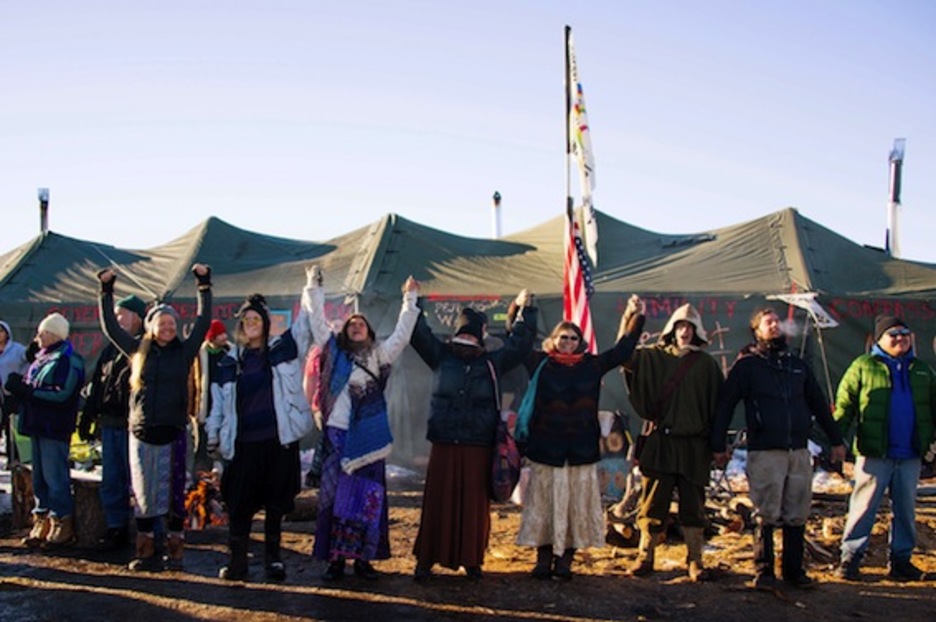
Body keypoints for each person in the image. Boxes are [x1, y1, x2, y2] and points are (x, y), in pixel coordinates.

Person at [712, 307, 846, 589]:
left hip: (797, 450)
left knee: (797, 511)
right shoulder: (747, 366)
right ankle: (764, 572)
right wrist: (718, 444)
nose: (774, 326)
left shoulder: (797, 365)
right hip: (765, 450)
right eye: (767, 323)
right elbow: (725, 405)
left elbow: (819, 404)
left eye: (776, 322)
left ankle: (794, 572)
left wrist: (836, 441)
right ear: (756, 331)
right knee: (767, 512)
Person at [410, 290, 537, 581]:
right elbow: (419, 333)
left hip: (478, 443)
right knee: (438, 502)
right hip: (444, 441)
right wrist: (412, 300)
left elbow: (520, 344)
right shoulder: (440, 355)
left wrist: (527, 311)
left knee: (474, 505)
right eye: (467, 334)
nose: (469, 339)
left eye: (472, 335)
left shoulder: (492, 361)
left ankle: (471, 559)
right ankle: (426, 559)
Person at [515, 295, 645, 581]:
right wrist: (522, 309)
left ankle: (565, 562)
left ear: (580, 342)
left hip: (579, 450)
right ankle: (543, 560)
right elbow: (519, 343)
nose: (568, 342)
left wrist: (635, 316)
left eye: (574, 338)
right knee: (544, 507)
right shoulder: (540, 363)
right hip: (546, 448)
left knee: (573, 508)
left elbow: (623, 351)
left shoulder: (592, 365)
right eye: (563, 337)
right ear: (553, 339)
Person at [306, 266, 421, 581]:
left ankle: (362, 559)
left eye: (362, 325)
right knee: (334, 497)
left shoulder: (380, 355)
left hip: (369, 438)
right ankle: (336, 560)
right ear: (345, 333)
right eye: (351, 324)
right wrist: (313, 287)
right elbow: (316, 320)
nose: (356, 327)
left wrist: (410, 299)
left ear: (370, 333)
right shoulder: (333, 353)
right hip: (337, 435)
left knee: (367, 499)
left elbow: (402, 334)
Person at [97, 264, 212, 571]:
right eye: (161, 324)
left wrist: (203, 285)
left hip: (174, 432)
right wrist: (106, 291)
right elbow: (111, 326)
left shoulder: (184, 352)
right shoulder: (136, 351)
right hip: (142, 432)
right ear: (150, 327)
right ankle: (147, 552)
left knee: (176, 495)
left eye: (171, 324)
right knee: (144, 495)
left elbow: (202, 323)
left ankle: (175, 552)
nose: (167, 328)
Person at [206, 292, 318, 582]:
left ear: (266, 324)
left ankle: (273, 559)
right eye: (247, 320)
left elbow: (305, 323)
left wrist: (311, 288)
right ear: (240, 326)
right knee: (239, 504)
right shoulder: (229, 363)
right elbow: (218, 404)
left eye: (256, 319)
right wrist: (212, 435)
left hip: (277, 441)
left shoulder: (281, 350)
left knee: (275, 504)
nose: (251, 324)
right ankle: (238, 562)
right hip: (243, 444)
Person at [621, 303, 723, 581]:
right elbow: (624, 354)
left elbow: (718, 408)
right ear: (672, 329)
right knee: (653, 503)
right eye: (680, 326)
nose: (685, 332)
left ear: (697, 331)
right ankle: (645, 555)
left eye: (690, 327)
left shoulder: (707, 365)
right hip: (661, 443)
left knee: (694, 505)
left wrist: (717, 446)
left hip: (694, 446)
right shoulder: (654, 357)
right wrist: (630, 318)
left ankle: (695, 559)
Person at [833, 315, 936, 582]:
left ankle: (901, 561)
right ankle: (851, 558)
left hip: (910, 454)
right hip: (874, 451)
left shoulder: (922, 369)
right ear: (879, 339)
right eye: (893, 334)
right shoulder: (864, 366)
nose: (900, 338)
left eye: (905, 333)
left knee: (905, 509)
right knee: (864, 506)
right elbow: (845, 405)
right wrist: (832, 441)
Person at [6, 312, 85, 548]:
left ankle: (62, 520)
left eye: (42, 333)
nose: (38, 337)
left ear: (53, 334)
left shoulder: (68, 359)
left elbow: (63, 393)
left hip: (54, 425)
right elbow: (36, 384)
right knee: (39, 476)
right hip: (37, 423)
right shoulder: (42, 357)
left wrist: (28, 392)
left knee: (55, 475)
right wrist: (22, 386)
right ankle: (42, 517)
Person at [78, 294, 148, 551]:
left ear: (137, 318)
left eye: (121, 315)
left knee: (138, 480)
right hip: (109, 423)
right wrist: (88, 414)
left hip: (133, 426)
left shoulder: (144, 347)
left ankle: (146, 532)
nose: (117, 320)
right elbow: (98, 383)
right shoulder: (109, 350)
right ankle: (116, 527)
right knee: (112, 479)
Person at [188, 319, 229, 480]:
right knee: (202, 445)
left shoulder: (230, 353)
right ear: (211, 337)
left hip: (225, 407)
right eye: (220, 334)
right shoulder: (199, 356)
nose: (224, 337)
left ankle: (221, 477)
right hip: (204, 407)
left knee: (222, 446)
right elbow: (191, 382)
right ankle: (199, 479)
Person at [0, 319, 30, 459]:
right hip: (2, 395)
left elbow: (30, 359)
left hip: (16, 395)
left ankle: (17, 457)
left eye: (1, 331)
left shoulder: (17, 349)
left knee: (15, 428)